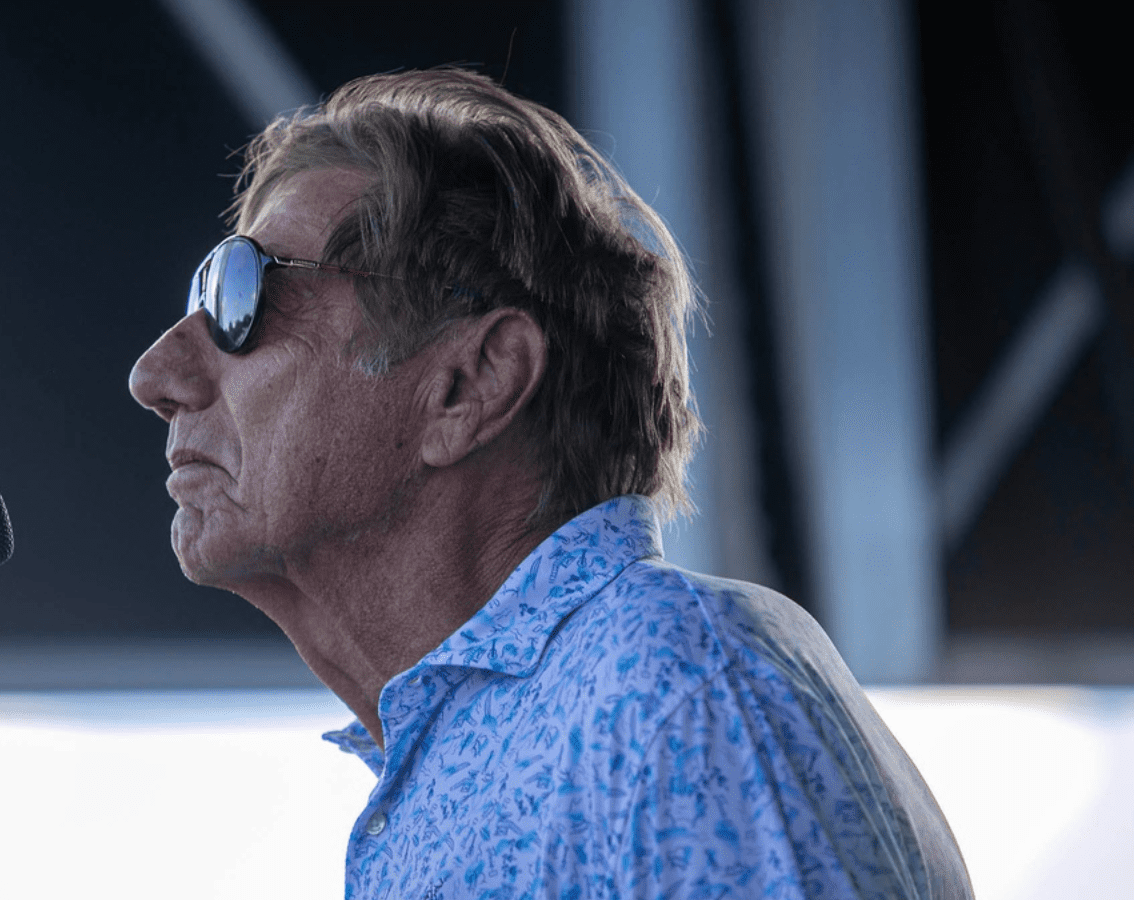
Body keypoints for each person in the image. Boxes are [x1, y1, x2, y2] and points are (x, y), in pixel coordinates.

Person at [129, 68, 973, 899]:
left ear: (472, 385)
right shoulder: (543, 736)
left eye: (241, 292)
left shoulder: (666, 682)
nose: (155, 372)